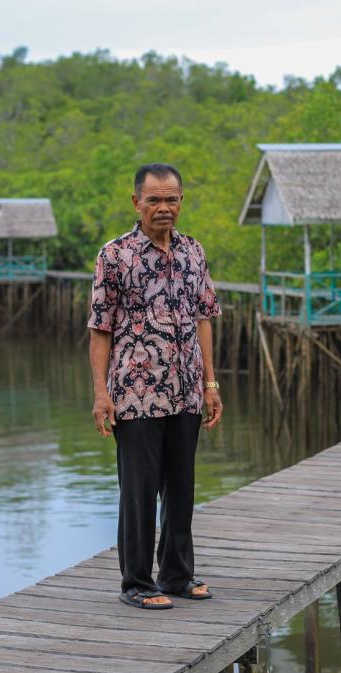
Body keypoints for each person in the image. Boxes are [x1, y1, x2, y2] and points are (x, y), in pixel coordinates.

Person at [87, 162, 225, 610]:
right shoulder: (115, 255)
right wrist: (101, 394)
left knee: (181, 488)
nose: (163, 208)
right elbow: (100, 329)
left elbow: (205, 317)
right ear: (136, 202)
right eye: (154, 200)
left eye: (171, 199)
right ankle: (137, 583)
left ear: (181, 201)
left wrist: (210, 383)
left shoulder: (193, 252)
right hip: (134, 392)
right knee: (140, 490)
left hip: (185, 390)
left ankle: (177, 576)